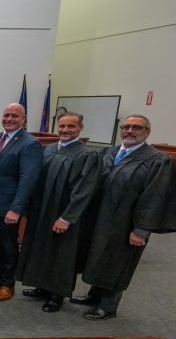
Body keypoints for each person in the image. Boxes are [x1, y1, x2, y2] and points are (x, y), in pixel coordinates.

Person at [70, 115, 176, 320]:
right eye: (126, 127)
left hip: (127, 222)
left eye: (136, 127)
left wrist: (142, 229)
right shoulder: (109, 152)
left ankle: (108, 306)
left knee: (119, 260)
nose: (129, 131)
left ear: (147, 132)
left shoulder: (157, 160)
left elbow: (155, 197)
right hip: (102, 216)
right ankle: (95, 295)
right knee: (100, 254)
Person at [15, 112, 100, 312]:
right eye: (62, 126)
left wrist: (67, 217)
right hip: (42, 209)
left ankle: (56, 294)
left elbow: (84, 191)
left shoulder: (87, 155)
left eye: (71, 126)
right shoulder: (49, 149)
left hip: (63, 213)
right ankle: (41, 286)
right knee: (41, 246)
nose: (65, 130)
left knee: (61, 252)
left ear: (80, 128)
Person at [0, 103, 42, 301]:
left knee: (8, 245)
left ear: (24, 119)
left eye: (15, 116)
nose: (9, 119)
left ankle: (8, 283)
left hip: (9, 207)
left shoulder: (30, 144)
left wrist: (16, 209)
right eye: (6, 115)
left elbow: (28, 179)